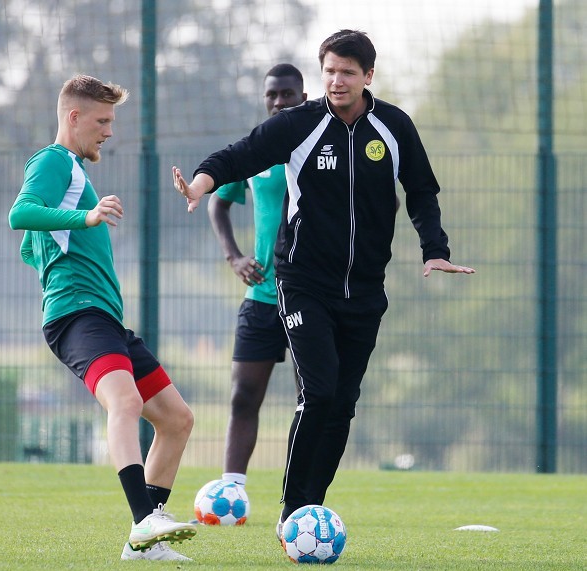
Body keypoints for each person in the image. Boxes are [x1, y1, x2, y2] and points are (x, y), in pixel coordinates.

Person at [173, 30, 475, 540]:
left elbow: (421, 190)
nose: (337, 81)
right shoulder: (301, 124)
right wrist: (201, 184)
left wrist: (435, 250)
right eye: (330, 71)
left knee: (343, 404)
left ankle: (311, 506)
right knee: (319, 390)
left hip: (365, 290)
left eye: (348, 73)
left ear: (368, 77)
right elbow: (241, 154)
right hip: (302, 280)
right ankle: (293, 513)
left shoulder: (394, 126)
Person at [9, 74, 197, 561]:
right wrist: (84, 220)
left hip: (104, 318)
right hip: (78, 314)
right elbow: (21, 213)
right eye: (103, 120)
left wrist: (56, 247)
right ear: (73, 117)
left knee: (176, 419)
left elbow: (32, 246)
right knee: (126, 402)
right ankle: (144, 520)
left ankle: (144, 545)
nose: (109, 131)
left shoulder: (75, 172)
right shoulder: (53, 161)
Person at [207, 63, 306, 494]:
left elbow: (379, 202)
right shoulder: (257, 149)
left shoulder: (322, 144)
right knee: (243, 396)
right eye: (273, 95)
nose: (279, 101)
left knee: (314, 401)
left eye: (288, 94)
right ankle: (232, 489)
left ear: (304, 96)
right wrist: (234, 257)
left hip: (312, 297)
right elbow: (218, 201)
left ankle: (301, 493)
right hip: (262, 297)